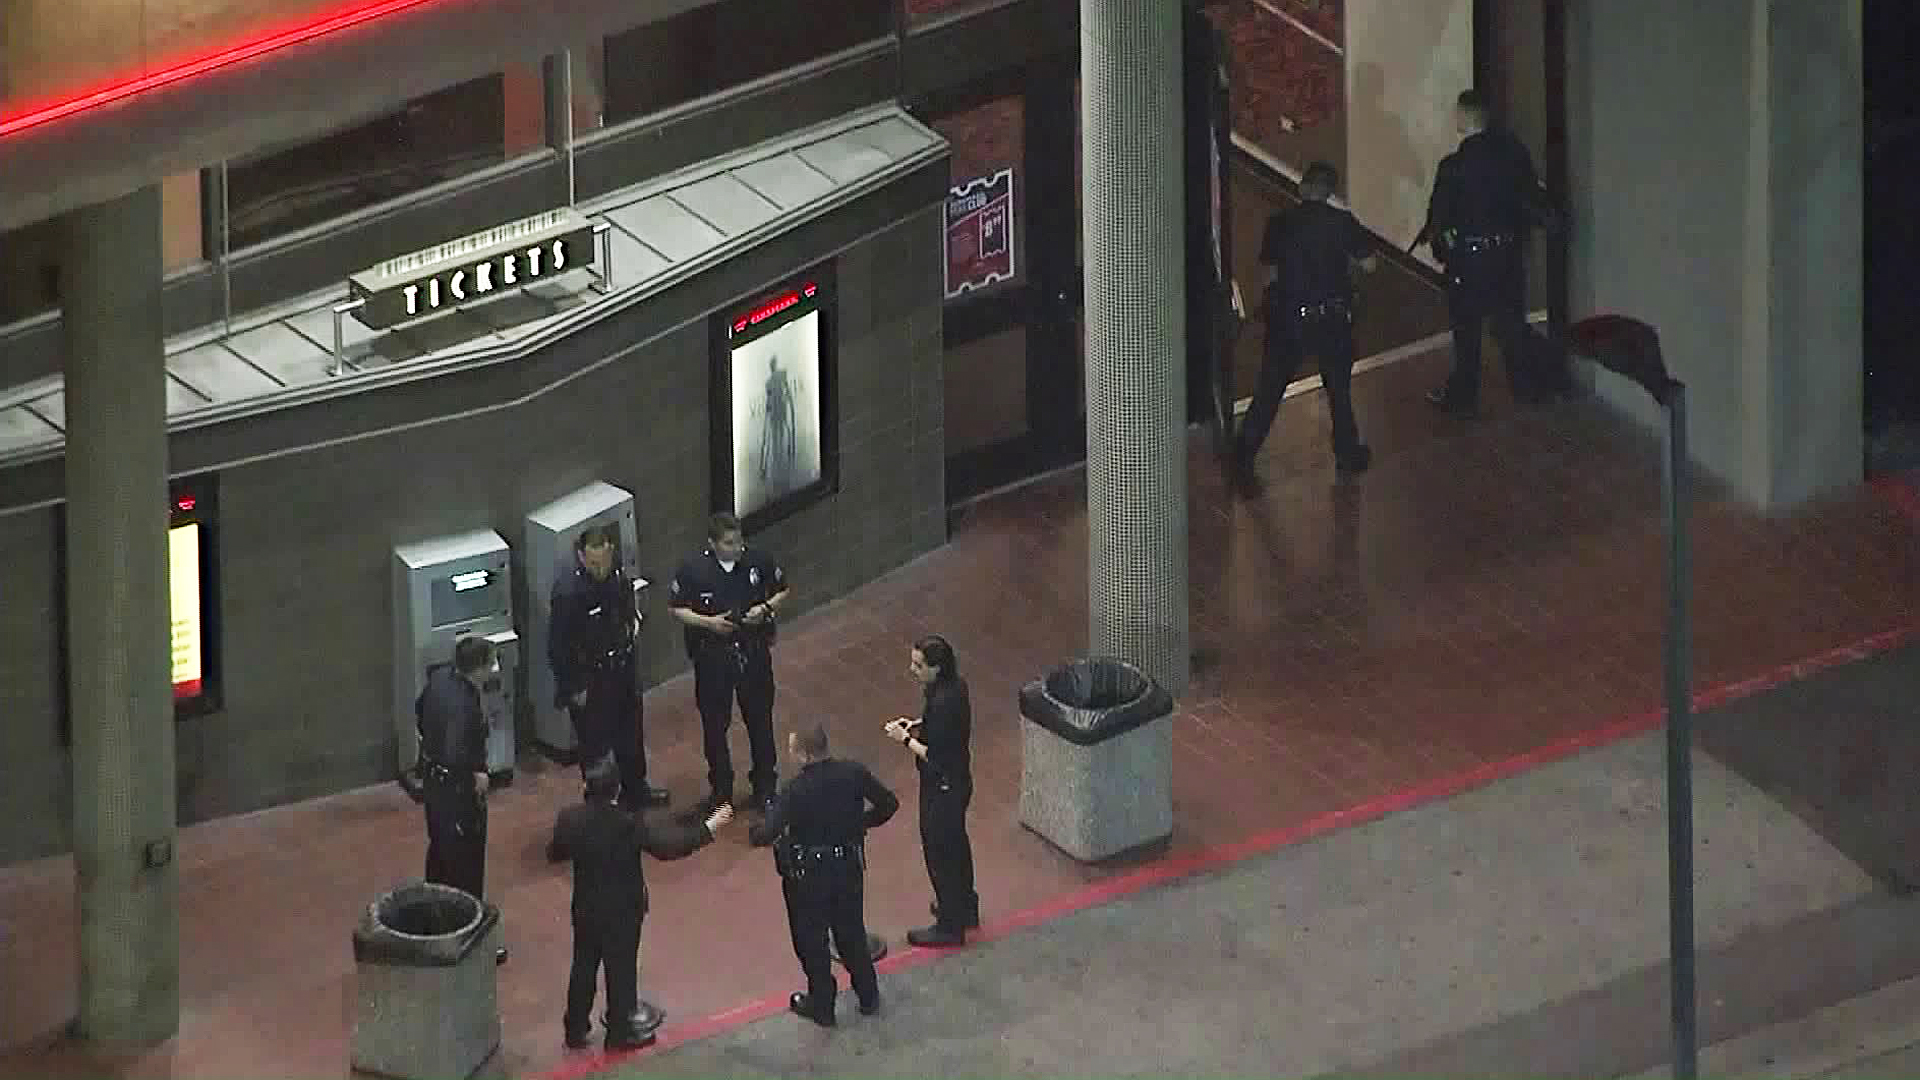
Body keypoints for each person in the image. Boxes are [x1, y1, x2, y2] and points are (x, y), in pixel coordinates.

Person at [546, 758, 733, 1052]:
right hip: (623, 912)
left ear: (586, 787)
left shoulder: (570, 819)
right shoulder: (628, 824)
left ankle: (575, 1028)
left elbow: (555, 851)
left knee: (582, 967)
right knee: (621, 972)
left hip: (586, 908)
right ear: (616, 790)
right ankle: (619, 1034)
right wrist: (708, 829)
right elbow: (669, 848)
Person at [1413, 88, 1571, 413]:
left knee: (1466, 331)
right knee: (1511, 323)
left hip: (1469, 261)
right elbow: (1530, 195)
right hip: (1507, 254)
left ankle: (1463, 396)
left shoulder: (1454, 166)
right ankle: (1529, 387)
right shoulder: (1512, 153)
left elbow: (1440, 218)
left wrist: (1444, 251)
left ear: (1464, 117)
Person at [1231, 158, 1379, 495]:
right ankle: (1347, 452)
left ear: (1302, 188)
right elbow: (1370, 264)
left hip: (1289, 320)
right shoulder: (1342, 223)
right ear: (1330, 192)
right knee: (1339, 391)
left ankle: (1244, 453)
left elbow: (1269, 272)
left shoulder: (1280, 223)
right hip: (1332, 320)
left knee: (1270, 388)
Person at [748, 724, 899, 1027]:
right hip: (847, 866)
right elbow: (888, 804)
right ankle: (867, 994)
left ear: (803, 753)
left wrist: (755, 830)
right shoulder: (853, 773)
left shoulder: (794, 791)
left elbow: (767, 833)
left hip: (809, 877)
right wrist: (860, 824)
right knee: (852, 932)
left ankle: (822, 1004)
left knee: (811, 940)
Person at [668, 512, 790, 816]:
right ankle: (721, 790)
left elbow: (783, 590)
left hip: (753, 652)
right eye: (729, 543)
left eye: (739, 541)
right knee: (714, 726)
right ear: (713, 543)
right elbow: (676, 608)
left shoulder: (758, 561)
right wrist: (708, 623)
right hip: (713, 658)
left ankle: (765, 787)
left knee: (760, 720)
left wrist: (763, 609)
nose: (737, 548)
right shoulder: (694, 570)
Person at [549, 524, 668, 808]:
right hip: (591, 680)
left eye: (603, 561)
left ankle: (636, 791)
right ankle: (599, 808)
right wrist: (574, 688)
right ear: (580, 557)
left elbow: (628, 611)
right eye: (593, 563)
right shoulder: (568, 593)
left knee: (631, 736)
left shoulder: (617, 578)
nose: (599, 568)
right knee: (596, 750)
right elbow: (557, 648)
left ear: (611, 552)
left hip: (622, 672)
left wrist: (633, 625)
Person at [415, 634, 508, 963]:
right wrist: (475, 774)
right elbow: (457, 749)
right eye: (491, 662)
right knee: (466, 863)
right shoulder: (465, 704)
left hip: (434, 784)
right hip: (457, 792)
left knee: (439, 852)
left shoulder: (439, 680)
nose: (494, 668)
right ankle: (467, 934)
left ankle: (434, 918)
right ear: (478, 668)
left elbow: (419, 713)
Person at [885, 634, 979, 947]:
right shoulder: (955, 688)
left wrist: (904, 738)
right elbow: (944, 726)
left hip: (942, 786)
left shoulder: (941, 701)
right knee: (958, 845)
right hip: (959, 780)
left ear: (937, 668)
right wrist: (919, 722)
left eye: (919, 665)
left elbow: (934, 754)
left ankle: (949, 925)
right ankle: (965, 905)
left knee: (939, 851)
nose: (912, 669)